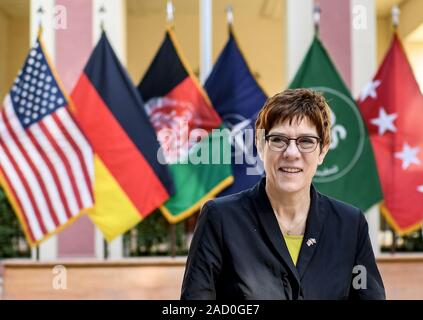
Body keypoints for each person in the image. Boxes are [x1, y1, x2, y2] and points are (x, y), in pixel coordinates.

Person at [180, 88, 385, 300]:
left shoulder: (350, 226)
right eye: (278, 140)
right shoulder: (220, 219)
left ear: (323, 150)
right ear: (260, 145)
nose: (291, 153)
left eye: (306, 141)